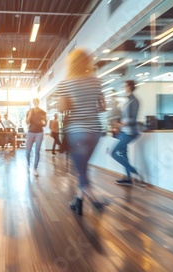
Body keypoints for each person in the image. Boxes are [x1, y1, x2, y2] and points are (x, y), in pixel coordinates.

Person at [55, 48, 106, 215]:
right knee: (82, 169)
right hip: (95, 132)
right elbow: (102, 107)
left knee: (81, 169)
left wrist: (69, 103)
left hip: (76, 131)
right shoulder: (96, 82)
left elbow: (62, 108)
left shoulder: (65, 83)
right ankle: (78, 201)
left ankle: (95, 197)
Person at [110, 80, 141, 186]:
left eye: (125, 86)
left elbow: (133, 119)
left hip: (130, 132)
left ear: (129, 87)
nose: (124, 88)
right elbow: (124, 116)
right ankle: (128, 179)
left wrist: (122, 123)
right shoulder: (127, 100)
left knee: (113, 153)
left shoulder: (134, 100)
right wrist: (118, 123)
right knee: (123, 153)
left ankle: (134, 171)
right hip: (124, 131)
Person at [25, 98, 47, 176]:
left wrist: (43, 122)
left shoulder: (43, 112)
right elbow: (27, 122)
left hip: (39, 133)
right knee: (28, 151)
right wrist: (30, 114)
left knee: (37, 151)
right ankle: (28, 163)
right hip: (31, 132)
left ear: (38, 102)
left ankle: (35, 168)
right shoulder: (29, 111)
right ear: (33, 102)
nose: (36, 103)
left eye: (37, 102)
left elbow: (45, 124)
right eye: (34, 102)